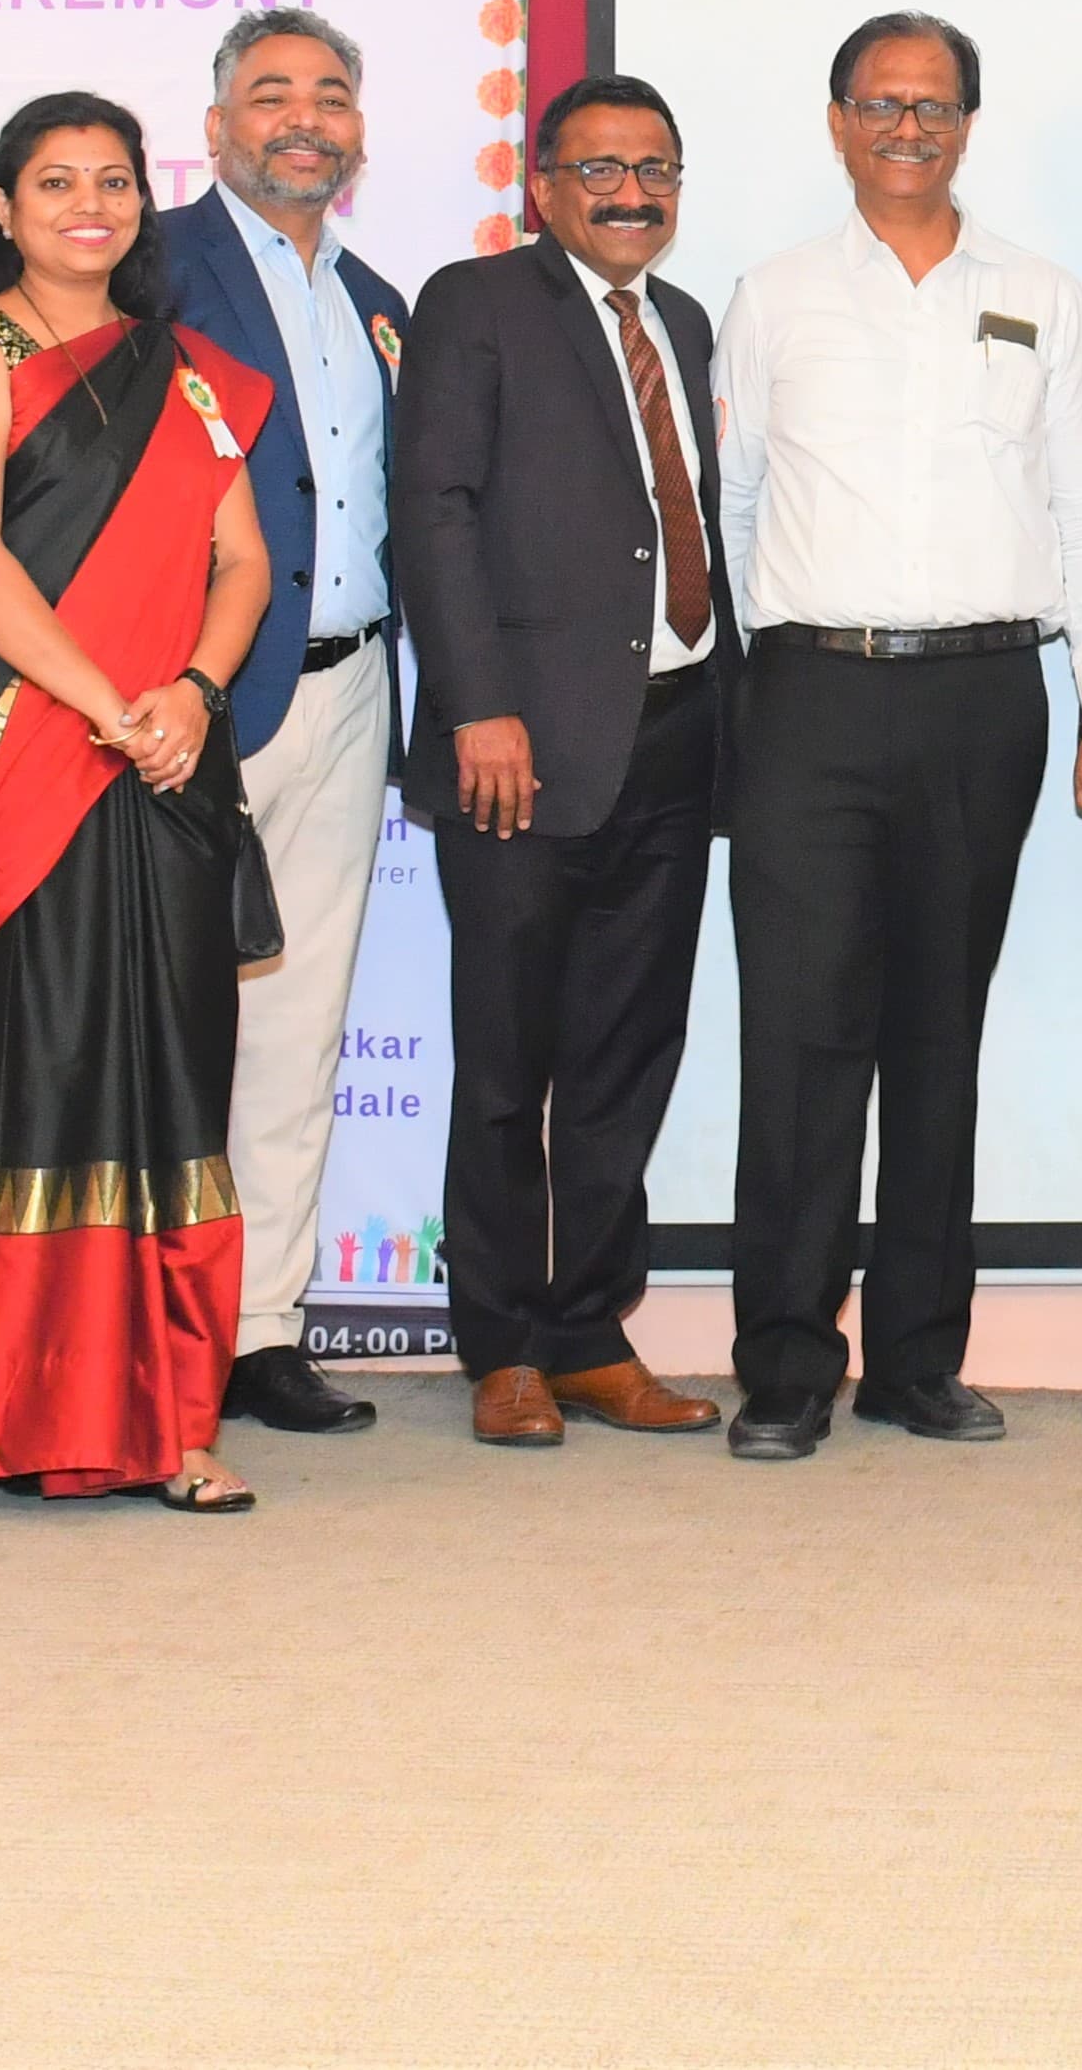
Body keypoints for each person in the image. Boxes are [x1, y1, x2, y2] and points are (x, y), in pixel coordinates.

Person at [711, 12, 1082, 1461]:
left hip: (981, 700)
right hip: (811, 697)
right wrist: (775, 666)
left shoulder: (1042, 296)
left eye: (935, 105)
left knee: (936, 1038)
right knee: (797, 1039)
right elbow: (733, 505)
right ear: (838, 120)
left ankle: (915, 1359)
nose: (909, 127)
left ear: (968, 124)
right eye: (883, 103)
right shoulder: (773, 295)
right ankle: (784, 1365)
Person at [0, 92, 282, 1508]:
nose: (87, 206)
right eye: (54, 182)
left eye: (113, 181)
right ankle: (16, 1415)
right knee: (29, 1070)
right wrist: (109, 704)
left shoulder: (189, 371)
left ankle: (177, 1420)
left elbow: (243, 562)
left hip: (165, 765)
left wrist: (192, 691)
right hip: (14, 752)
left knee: (170, 1072)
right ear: (1, 205)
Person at [397, 74, 736, 1448]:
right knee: (505, 1065)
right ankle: (501, 1348)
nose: (629, 193)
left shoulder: (685, 323)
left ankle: (591, 1334)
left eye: (654, 169)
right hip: (519, 750)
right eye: (599, 169)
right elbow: (435, 510)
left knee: (625, 1055)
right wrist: (478, 706)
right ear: (542, 186)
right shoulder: (476, 304)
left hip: (674, 735)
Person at [153, 9, 407, 1442]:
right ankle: (155, 1331)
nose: (302, 119)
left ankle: (261, 1329)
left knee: (297, 1027)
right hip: (194, 696)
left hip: (351, 688)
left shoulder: (377, 300)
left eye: (329, 96)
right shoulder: (151, 269)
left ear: (358, 132)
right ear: (217, 126)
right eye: (271, 95)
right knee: (169, 1023)